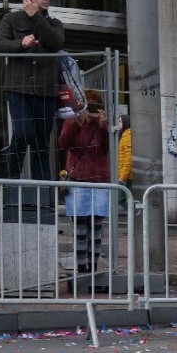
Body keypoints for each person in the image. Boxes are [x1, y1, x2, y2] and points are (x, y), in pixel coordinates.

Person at [0, 0, 65, 181]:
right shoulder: (11, 19)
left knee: (41, 143)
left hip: (46, 92)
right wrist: (20, 44)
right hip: (19, 89)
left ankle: (41, 194)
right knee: (23, 132)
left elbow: (55, 41)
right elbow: (0, 44)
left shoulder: (54, 24)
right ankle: (11, 181)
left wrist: (35, 17)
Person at [58, 90, 111, 274]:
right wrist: (75, 121)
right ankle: (81, 268)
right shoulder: (74, 121)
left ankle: (93, 266)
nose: (92, 109)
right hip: (78, 178)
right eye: (88, 105)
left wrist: (105, 127)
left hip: (99, 179)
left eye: (94, 105)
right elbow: (64, 143)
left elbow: (108, 148)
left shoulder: (102, 125)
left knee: (96, 228)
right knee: (80, 229)